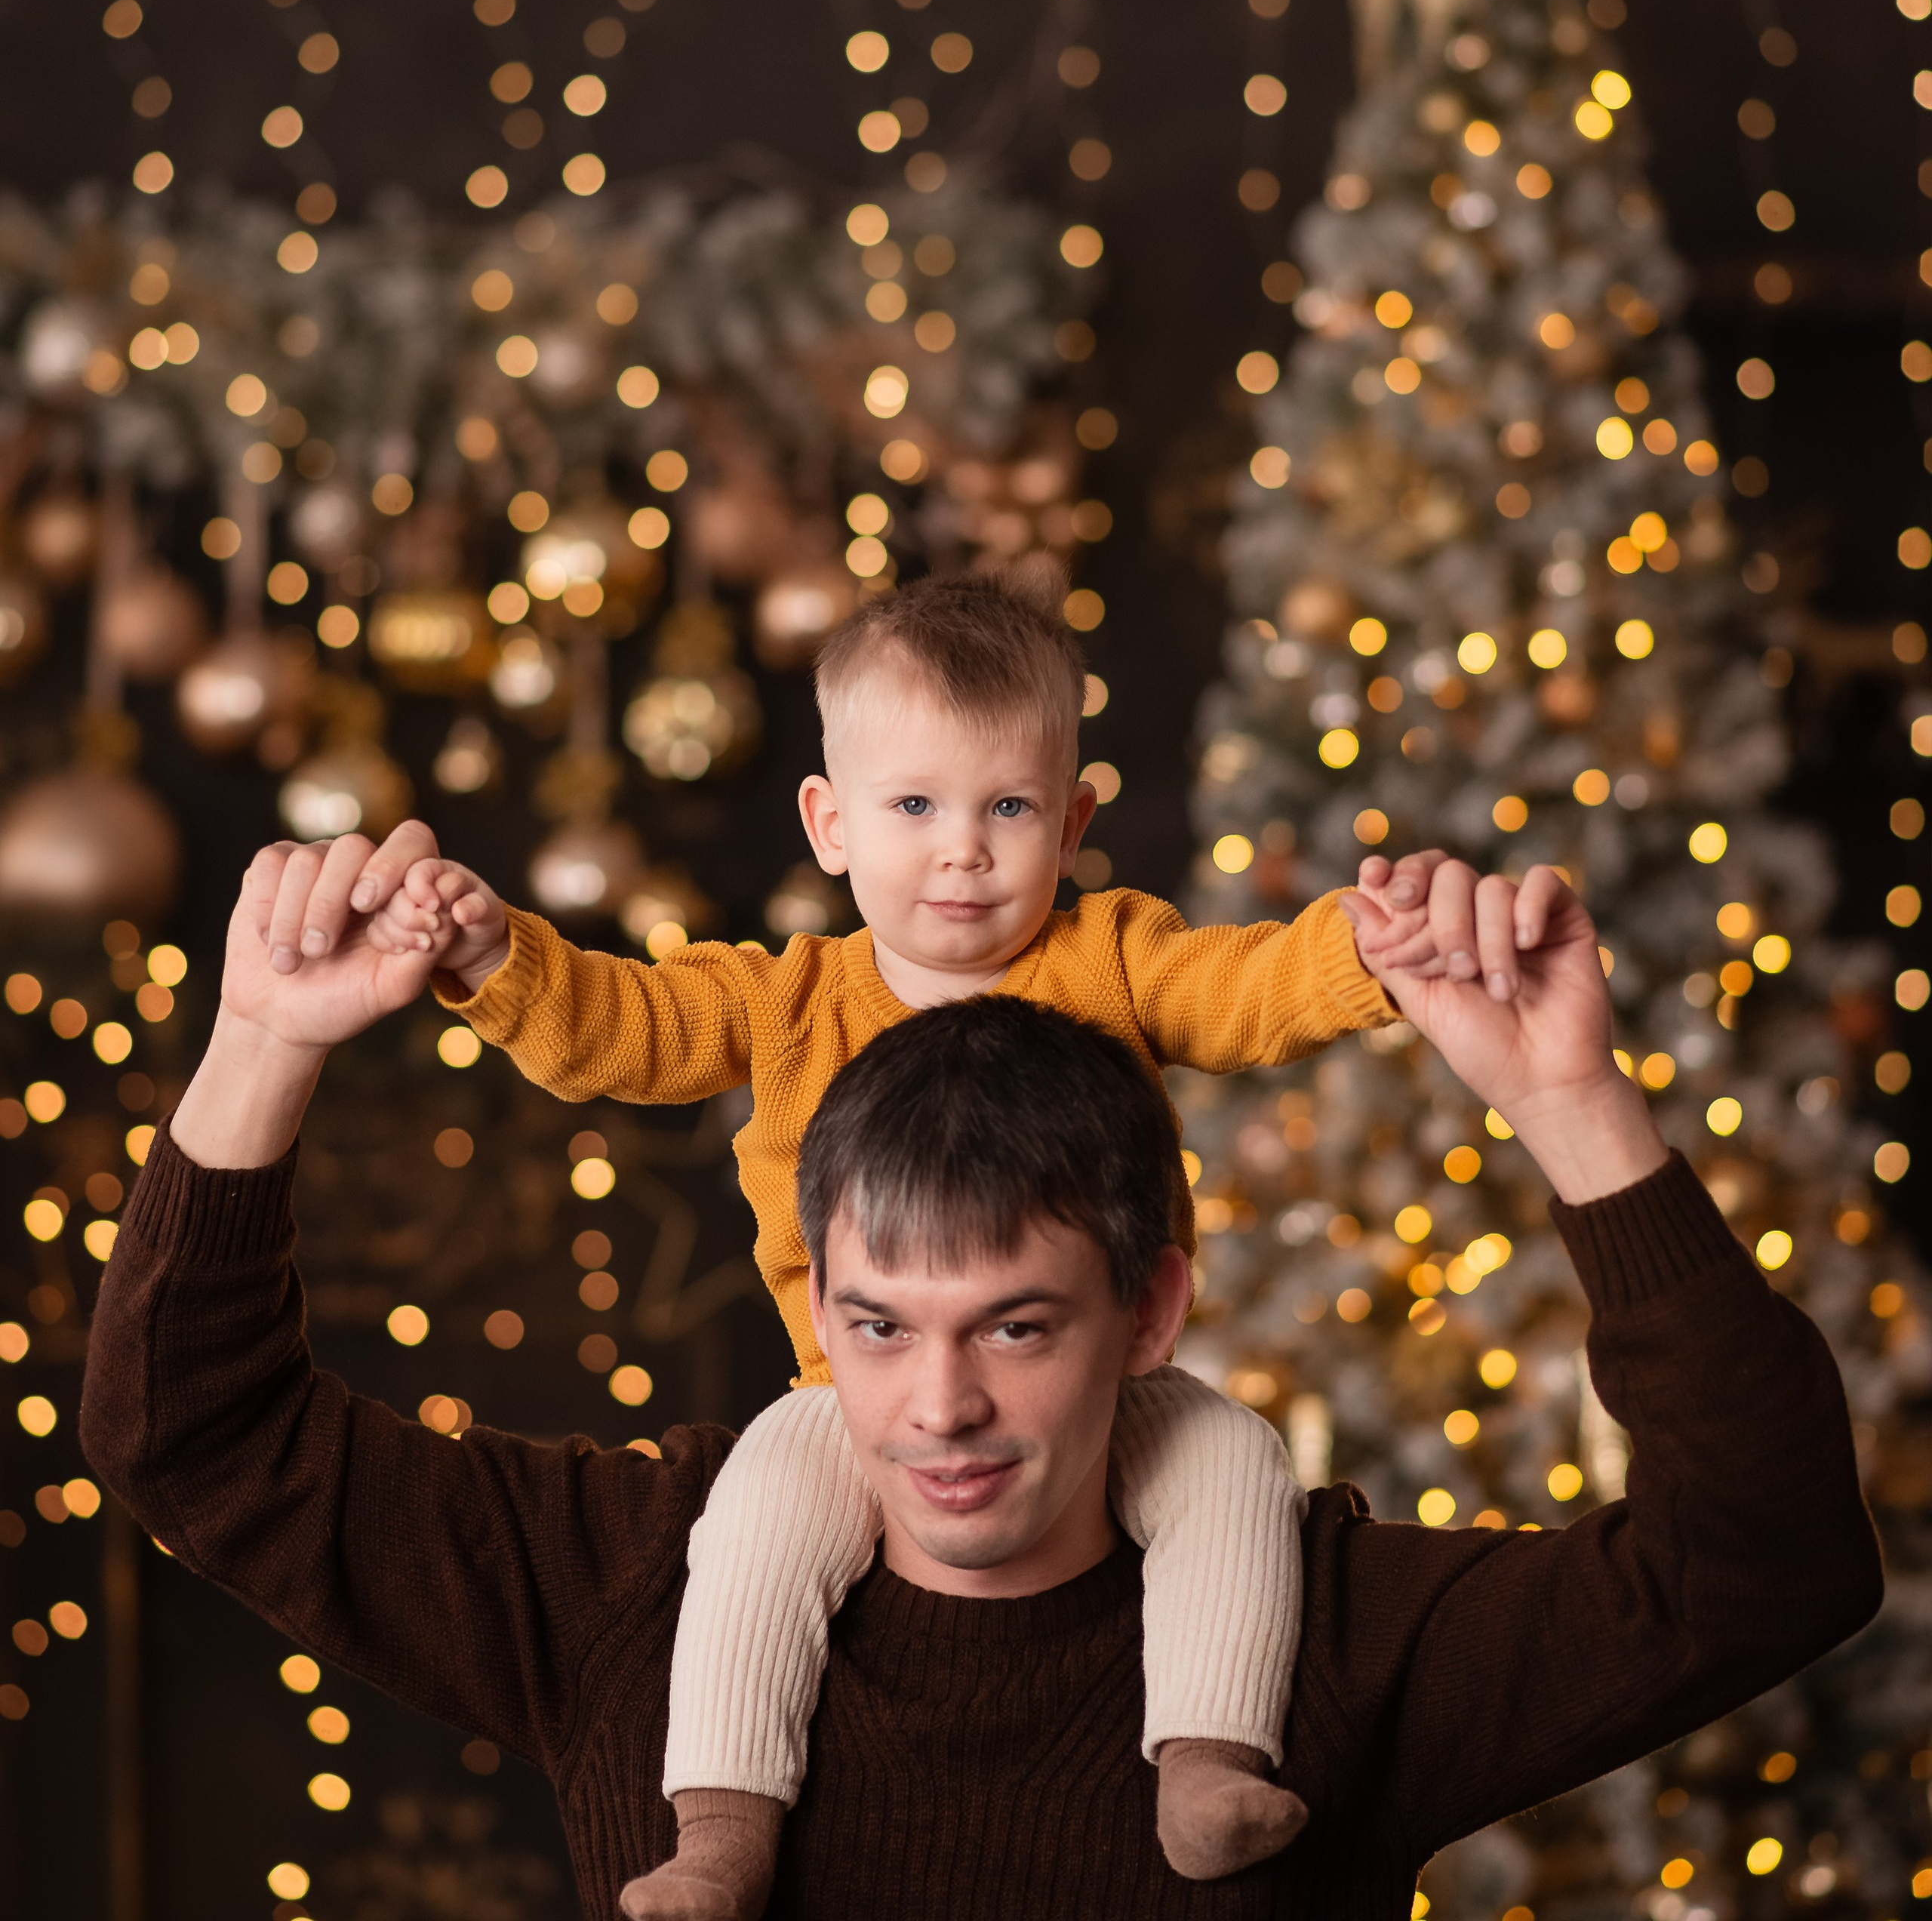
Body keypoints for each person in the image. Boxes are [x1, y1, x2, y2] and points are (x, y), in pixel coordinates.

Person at [83, 839, 1880, 1921]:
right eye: (878, 1324)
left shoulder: (1327, 1632)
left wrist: (1570, 1100)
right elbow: (192, 1435)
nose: (936, 1408)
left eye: (1014, 1327)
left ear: (1151, 1307)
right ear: (816, 1296)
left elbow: (1768, 1556)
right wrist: (259, 1039)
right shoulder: (638, 1576)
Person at [262, 573, 1460, 1913]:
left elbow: (1246, 986)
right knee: (752, 1535)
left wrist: (1367, 952)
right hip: (854, 1400)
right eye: (914, 808)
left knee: (1233, 1464)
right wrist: (496, 961)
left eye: (1009, 810)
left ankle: (1206, 1764)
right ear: (829, 826)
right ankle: (722, 1832)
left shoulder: (1116, 960)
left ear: (1074, 824)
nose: (965, 853)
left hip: (1088, 1385)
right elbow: (625, 1029)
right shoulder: (787, 1001)